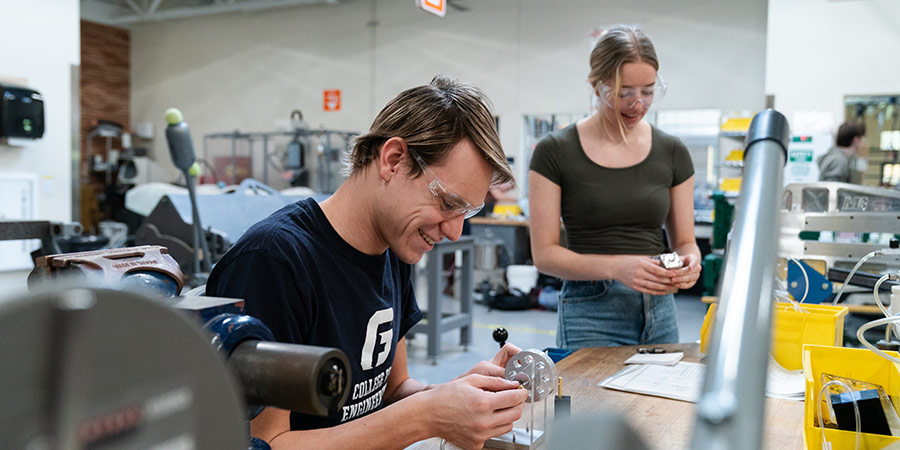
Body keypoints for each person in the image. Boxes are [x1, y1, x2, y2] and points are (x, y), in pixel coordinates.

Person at [206, 75, 528, 449]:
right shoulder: (274, 262)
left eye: (467, 212)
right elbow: (265, 443)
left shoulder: (395, 248)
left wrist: (455, 397)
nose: (455, 232)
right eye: (448, 204)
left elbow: (392, 391)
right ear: (393, 160)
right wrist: (426, 415)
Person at [528, 25, 701, 350]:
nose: (638, 104)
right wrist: (618, 268)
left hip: (660, 309)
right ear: (596, 86)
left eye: (648, 91)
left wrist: (690, 262)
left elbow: (685, 242)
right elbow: (545, 255)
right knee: (591, 402)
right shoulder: (555, 151)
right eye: (624, 92)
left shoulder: (672, 151)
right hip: (590, 310)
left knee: (656, 401)